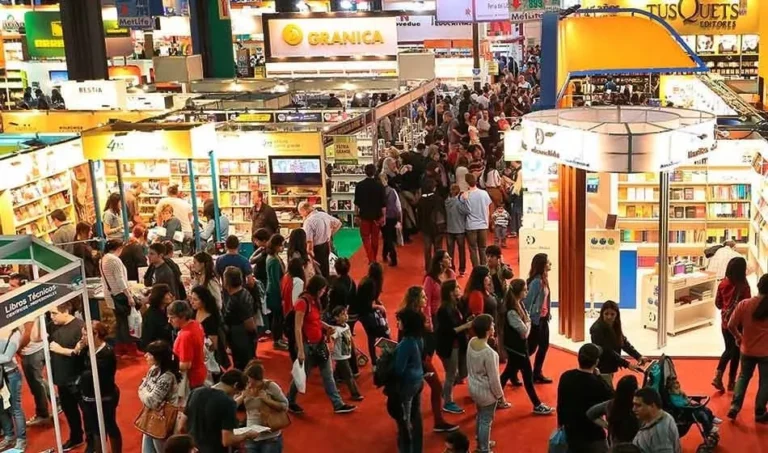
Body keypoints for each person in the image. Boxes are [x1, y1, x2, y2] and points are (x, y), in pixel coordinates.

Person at [287, 275, 357, 415]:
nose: (324, 292)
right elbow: (297, 327)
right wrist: (300, 350)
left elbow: (316, 321)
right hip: (308, 346)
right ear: (317, 288)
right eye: (323, 289)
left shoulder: (314, 301)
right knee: (303, 375)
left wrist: (326, 327)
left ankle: (338, 404)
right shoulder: (303, 302)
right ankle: (289, 400)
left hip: (319, 343)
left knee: (328, 375)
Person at [397, 286, 458, 434]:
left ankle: (412, 422)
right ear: (416, 299)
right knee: (434, 388)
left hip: (423, 358)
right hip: (422, 360)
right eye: (423, 297)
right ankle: (436, 421)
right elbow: (412, 340)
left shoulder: (412, 315)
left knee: (416, 394)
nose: (426, 299)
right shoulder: (414, 318)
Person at [499, 279, 553, 415]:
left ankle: (496, 398)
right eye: (524, 290)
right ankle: (537, 404)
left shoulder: (519, 304)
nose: (527, 292)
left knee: (507, 373)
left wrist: (527, 323)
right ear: (518, 292)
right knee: (527, 377)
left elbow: (526, 324)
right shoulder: (512, 311)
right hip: (517, 349)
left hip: (518, 348)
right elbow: (524, 332)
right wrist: (527, 324)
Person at [180, 369, 261, 452]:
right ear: (235, 385)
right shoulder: (228, 402)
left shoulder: (195, 392)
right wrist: (247, 435)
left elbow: (182, 425)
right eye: (237, 392)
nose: (234, 395)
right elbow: (227, 440)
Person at [557, 343, 613, 453]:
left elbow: (560, 404)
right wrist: (600, 377)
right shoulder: (597, 383)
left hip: (571, 433)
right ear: (596, 362)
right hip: (593, 435)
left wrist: (560, 425)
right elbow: (613, 397)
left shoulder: (566, 376)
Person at [75, 321, 122, 453]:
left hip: (105, 396)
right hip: (89, 396)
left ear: (95, 335)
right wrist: (77, 351)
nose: (82, 338)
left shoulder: (106, 353)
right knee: (94, 427)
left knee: (109, 424)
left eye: (85, 335)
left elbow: (90, 375)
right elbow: (78, 368)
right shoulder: (86, 349)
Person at [727, 272, 768, 422]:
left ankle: (734, 407)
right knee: (765, 381)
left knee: (743, 377)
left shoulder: (745, 304)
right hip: (766, 352)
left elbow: (731, 325)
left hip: (747, 348)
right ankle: (759, 411)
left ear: (758, 286)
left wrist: (739, 337)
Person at [48, 302, 86, 451]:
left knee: (88, 413)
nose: (51, 317)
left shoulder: (80, 327)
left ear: (65, 311)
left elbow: (80, 353)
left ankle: (93, 442)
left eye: (54, 313)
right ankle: (76, 437)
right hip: (61, 378)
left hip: (78, 379)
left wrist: (60, 350)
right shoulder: (52, 326)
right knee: (70, 411)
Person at [467, 314, 504, 453]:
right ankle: (483, 448)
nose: (494, 326)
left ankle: (481, 440)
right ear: (488, 330)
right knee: (486, 420)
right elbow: (494, 379)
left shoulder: (471, 342)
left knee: (480, 415)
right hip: (486, 392)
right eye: (492, 324)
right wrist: (500, 395)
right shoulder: (490, 354)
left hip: (473, 387)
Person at [713, 256, 751, 392]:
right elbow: (747, 305)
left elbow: (717, 304)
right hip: (738, 325)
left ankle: (720, 377)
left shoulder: (723, 283)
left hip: (725, 323)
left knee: (729, 349)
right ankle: (730, 381)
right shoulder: (744, 286)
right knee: (735, 352)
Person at [590, 300, 646, 387]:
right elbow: (607, 351)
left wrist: (638, 356)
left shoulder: (614, 325)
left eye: (612, 314)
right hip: (602, 367)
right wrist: (627, 364)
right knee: (607, 393)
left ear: (617, 315)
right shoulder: (596, 329)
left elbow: (623, 343)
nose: (609, 317)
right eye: (606, 314)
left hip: (610, 365)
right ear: (602, 314)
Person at [436, 280, 472, 414]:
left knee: (463, 372)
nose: (459, 288)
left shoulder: (457, 304)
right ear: (451, 292)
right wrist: (466, 326)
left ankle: (446, 391)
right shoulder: (444, 309)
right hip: (449, 346)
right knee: (451, 374)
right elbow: (449, 330)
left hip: (458, 344)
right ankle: (447, 402)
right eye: (456, 287)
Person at [392, 309, 425, 453]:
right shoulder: (419, 338)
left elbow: (399, 369)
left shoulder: (406, 343)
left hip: (407, 384)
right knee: (415, 416)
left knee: (404, 423)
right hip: (418, 380)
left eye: (399, 321)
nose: (397, 323)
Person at [138, 341, 181, 453]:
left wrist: (142, 390)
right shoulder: (153, 370)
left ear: (158, 357)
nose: (145, 356)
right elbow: (143, 388)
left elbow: (152, 401)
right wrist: (144, 391)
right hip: (150, 416)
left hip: (163, 420)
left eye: (149, 354)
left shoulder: (167, 377)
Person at [239, 362, 289, 453]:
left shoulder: (271, 386)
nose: (250, 385)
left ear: (260, 379)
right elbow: (232, 405)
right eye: (248, 381)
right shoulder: (245, 388)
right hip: (251, 438)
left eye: (253, 382)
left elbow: (285, 406)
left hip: (270, 439)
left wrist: (267, 400)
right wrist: (242, 397)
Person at [100, 238, 138, 357]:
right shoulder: (114, 260)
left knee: (120, 322)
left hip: (111, 295)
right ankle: (130, 348)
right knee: (126, 323)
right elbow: (120, 279)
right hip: (119, 295)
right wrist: (129, 296)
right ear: (119, 248)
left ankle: (120, 347)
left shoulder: (103, 259)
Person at [523, 253, 553, 383]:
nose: (550, 263)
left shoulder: (543, 279)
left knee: (544, 346)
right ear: (542, 265)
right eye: (548, 261)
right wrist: (531, 317)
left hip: (543, 319)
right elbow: (527, 303)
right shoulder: (536, 282)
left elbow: (544, 299)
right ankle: (513, 370)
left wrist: (547, 312)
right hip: (536, 320)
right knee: (530, 348)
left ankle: (537, 373)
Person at [353, 262, 389, 367]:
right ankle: (383, 358)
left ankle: (375, 361)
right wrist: (379, 307)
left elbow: (372, 298)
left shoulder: (369, 281)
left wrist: (378, 302)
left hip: (365, 311)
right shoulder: (370, 284)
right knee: (381, 333)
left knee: (372, 335)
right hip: (364, 312)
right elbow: (366, 305)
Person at [587, 375, 641, 446]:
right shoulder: (639, 408)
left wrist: (608, 426)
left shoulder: (611, 404)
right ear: (634, 391)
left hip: (615, 447)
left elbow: (590, 413)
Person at [222, 267, 257, 371]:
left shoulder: (238, 300)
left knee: (244, 368)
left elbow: (249, 323)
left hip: (241, 339)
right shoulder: (244, 292)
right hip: (241, 338)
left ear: (226, 282)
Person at [190, 285, 229, 380]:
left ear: (203, 301)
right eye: (191, 299)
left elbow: (213, 346)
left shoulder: (211, 319)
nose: (191, 302)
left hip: (208, 357)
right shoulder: (193, 312)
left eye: (195, 300)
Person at [167, 300, 207, 391]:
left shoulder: (185, 336)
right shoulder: (196, 324)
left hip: (191, 379)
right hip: (200, 371)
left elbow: (185, 365)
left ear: (183, 316)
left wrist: (168, 364)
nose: (169, 321)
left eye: (172, 317)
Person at [298, 201, 342, 278]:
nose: (300, 215)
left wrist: (309, 255)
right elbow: (338, 223)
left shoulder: (308, 221)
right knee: (325, 267)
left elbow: (309, 242)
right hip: (325, 245)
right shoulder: (323, 214)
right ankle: (327, 284)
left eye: (300, 213)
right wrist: (330, 234)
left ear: (304, 210)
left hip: (316, 249)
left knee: (317, 271)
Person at [354, 164, 386, 265]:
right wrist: (383, 217)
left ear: (365, 172)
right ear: (375, 172)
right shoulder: (380, 186)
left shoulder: (359, 186)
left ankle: (371, 258)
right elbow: (383, 204)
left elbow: (356, 203)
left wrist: (356, 215)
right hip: (377, 216)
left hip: (364, 216)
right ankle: (374, 258)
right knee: (375, 238)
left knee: (365, 238)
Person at [632, 388, 682, 453]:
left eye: (638, 405)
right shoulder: (659, 417)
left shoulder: (659, 435)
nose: (633, 409)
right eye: (634, 404)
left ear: (652, 406)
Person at [329, 306, 363, 401]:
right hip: (340, 356)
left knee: (338, 371)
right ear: (336, 318)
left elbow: (350, 338)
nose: (346, 316)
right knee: (349, 375)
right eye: (343, 314)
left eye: (346, 313)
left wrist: (353, 348)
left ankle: (333, 383)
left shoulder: (347, 326)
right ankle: (355, 393)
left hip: (346, 353)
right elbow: (331, 340)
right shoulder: (336, 329)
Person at [0, 327, 25, 451]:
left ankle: (21, 439)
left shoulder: (15, 333)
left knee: (15, 408)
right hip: (1, 377)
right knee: (1, 408)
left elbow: (7, 357)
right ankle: (9, 436)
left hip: (11, 375)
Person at [461, 174, 492, 268]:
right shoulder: (484, 193)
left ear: (467, 183)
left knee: (473, 249)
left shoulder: (464, 195)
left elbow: (462, 210)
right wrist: (487, 222)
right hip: (483, 225)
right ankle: (484, 268)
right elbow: (488, 209)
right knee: (483, 248)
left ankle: (476, 269)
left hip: (471, 225)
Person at [417, 178, 447, 272]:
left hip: (426, 228)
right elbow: (444, 212)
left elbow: (419, 215)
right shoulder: (438, 199)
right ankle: (438, 267)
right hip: (438, 228)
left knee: (427, 248)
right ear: (434, 188)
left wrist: (420, 227)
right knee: (438, 249)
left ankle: (428, 268)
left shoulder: (421, 200)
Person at [265, 234, 287, 350]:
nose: (283, 247)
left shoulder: (273, 256)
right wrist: (281, 294)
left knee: (278, 317)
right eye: (281, 245)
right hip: (275, 293)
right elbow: (275, 280)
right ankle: (277, 340)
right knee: (277, 318)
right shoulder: (273, 260)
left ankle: (279, 338)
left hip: (275, 291)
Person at [445, 184, 469, 277]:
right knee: (461, 251)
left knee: (450, 252)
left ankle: (451, 269)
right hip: (460, 229)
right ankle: (462, 269)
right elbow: (466, 211)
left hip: (449, 229)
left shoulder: (446, 202)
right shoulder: (459, 203)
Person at [141, 284, 174, 350]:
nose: (170, 295)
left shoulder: (167, 310)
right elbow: (148, 338)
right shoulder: (151, 315)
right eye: (167, 294)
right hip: (157, 350)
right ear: (160, 296)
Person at [381, 174, 402, 266]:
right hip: (392, 216)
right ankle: (386, 255)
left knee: (387, 237)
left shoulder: (379, 192)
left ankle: (390, 257)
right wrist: (400, 218)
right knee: (388, 237)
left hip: (383, 217)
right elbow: (398, 206)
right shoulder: (392, 191)